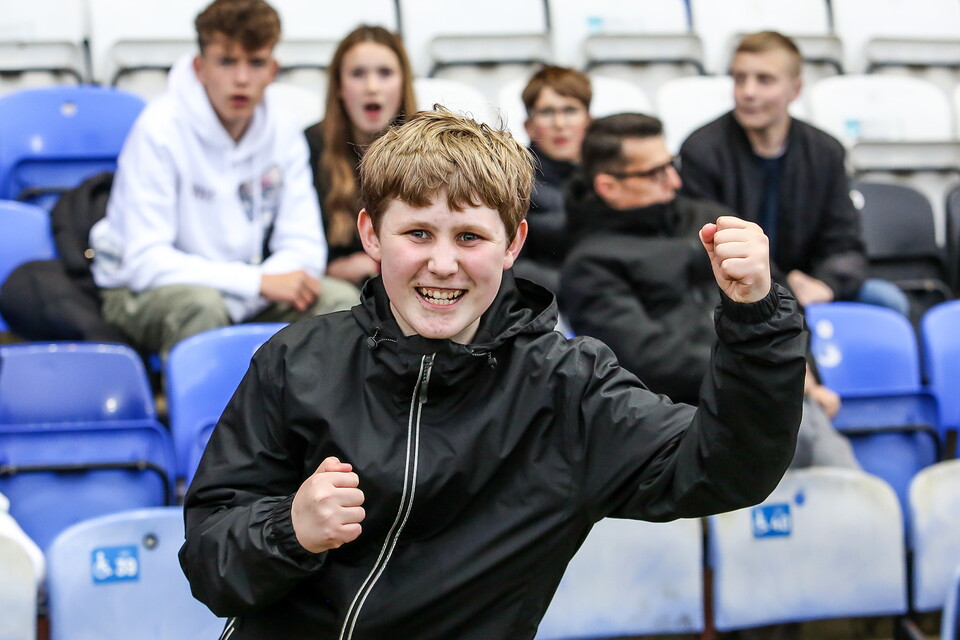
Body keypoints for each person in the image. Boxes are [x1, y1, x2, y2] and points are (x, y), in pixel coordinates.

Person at [179, 108, 807, 639]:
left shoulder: (569, 390)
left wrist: (755, 318)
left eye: (471, 237)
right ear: (371, 234)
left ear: (513, 243)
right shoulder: (297, 360)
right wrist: (289, 530)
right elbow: (210, 561)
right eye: (418, 232)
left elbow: (728, 466)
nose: (443, 263)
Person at [561, 112, 858, 471]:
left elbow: (778, 299)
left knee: (847, 490)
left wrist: (802, 370)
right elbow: (647, 361)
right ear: (609, 186)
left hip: (771, 392)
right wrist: (763, 370)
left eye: (672, 165)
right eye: (655, 173)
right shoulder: (590, 264)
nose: (673, 181)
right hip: (687, 420)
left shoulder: (710, 219)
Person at [88, 0, 358, 358]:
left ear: (273, 69)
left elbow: (305, 248)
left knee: (340, 301)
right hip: (141, 293)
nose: (242, 78)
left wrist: (255, 287)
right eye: (227, 61)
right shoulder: (159, 128)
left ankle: (314, 416)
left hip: (243, 290)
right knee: (201, 306)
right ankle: (205, 416)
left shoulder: (283, 129)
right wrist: (258, 283)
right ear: (200, 67)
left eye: (256, 62)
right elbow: (145, 263)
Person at [678, 31, 910, 315]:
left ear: (795, 89)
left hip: (810, 281)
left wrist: (826, 284)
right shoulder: (702, 150)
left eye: (764, 80)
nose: (748, 92)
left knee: (887, 300)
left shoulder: (826, 151)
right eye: (740, 78)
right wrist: (782, 287)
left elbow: (845, 241)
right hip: (735, 286)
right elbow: (709, 247)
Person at [304, 25, 417, 287]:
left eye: (385, 73)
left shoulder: (431, 148)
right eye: (358, 74)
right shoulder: (308, 146)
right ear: (339, 88)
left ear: (403, 84)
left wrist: (376, 263)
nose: (372, 87)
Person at [512, 66, 592, 294]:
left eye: (570, 110)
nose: (560, 124)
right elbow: (511, 264)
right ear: (528, 126)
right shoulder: (511, 180)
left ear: (589, 121)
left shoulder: (611, 173)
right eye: (546, 112)